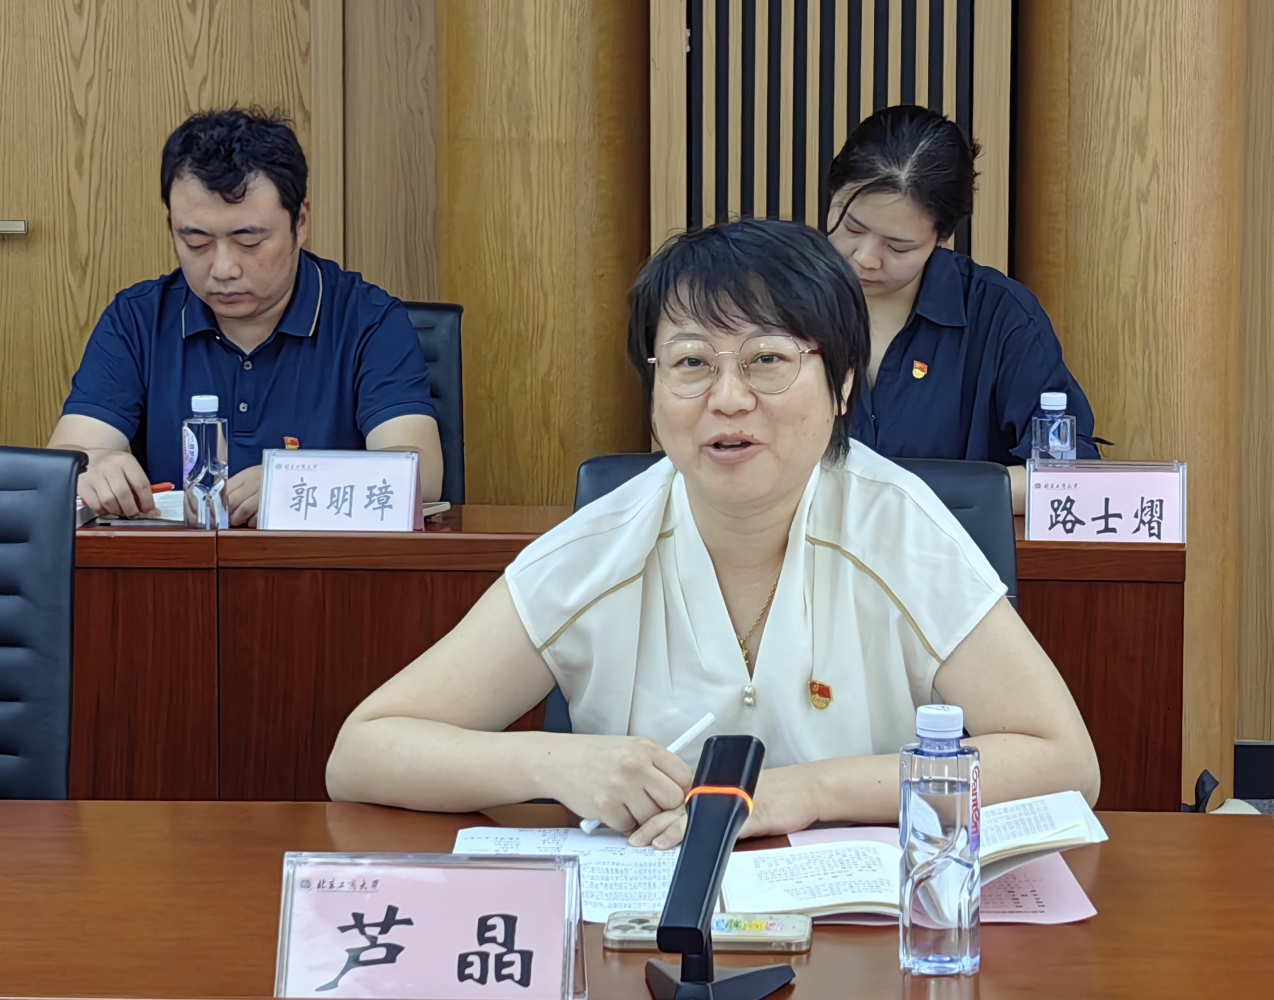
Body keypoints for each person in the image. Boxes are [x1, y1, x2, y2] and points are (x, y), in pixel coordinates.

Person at [327, 219, 1098, 849]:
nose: (728, 398)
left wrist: (803, 793)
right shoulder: (600, 548)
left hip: (863, 937)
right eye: (692, 362)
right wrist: (556, 764)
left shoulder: (899, 527)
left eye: (768, 359)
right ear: (655, 391)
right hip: (648, 935)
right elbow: (362, 752)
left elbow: (1062, 761)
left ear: (842, 386)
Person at [49, 108, 443, 524]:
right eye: (197, 242)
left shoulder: (368, 321)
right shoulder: (138, 319)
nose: (224, 269)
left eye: (249, 241)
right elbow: (67, 457)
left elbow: (422, 474)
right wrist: (94, 466)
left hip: (321, 562)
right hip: (176, 561)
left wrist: (295, 483)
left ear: (300, 222)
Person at [825, 105, 1099, 512]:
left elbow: (1066, 478)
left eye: (898, 246)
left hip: (956, 548)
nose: (866, 257)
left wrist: (905, 495)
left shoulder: (1000, 316)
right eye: (852, 227)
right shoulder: (776, 302)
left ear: (942, 235)